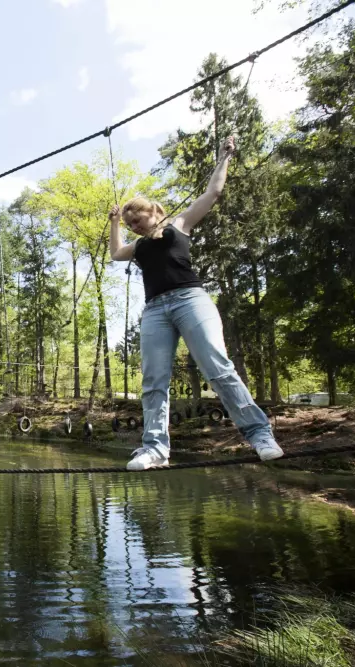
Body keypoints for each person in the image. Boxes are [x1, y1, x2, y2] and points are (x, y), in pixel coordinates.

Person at [109, 135, 284, 471]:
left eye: (138, 219)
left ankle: (260, 434)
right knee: (153, 380)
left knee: (217, 368)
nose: (135, 225)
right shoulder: (139, 247)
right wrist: (115, 222)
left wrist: (225, 157)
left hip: (191, 299)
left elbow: (212, 193)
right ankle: (155, 449)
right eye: (130, 223)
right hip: (155, 310)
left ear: (153, 211)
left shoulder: (179, 225)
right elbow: (117, 253)